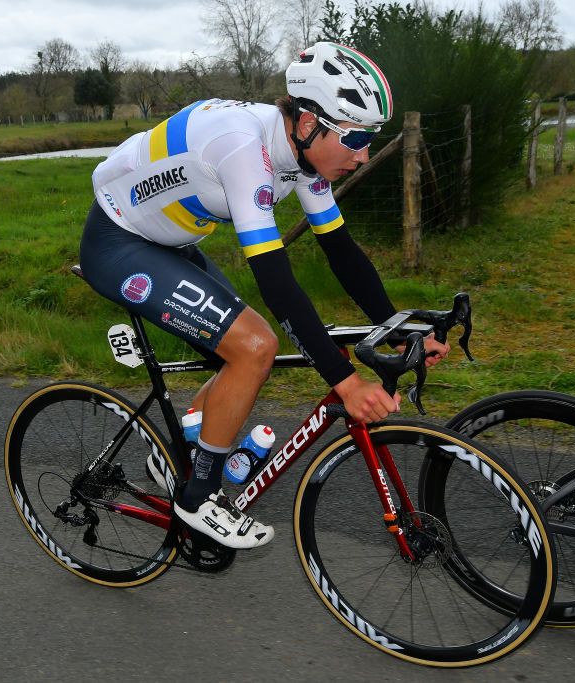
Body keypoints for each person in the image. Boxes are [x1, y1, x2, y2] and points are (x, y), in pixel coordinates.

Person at [80, 43, 450, 550]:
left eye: (371, 139)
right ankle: (198, 500)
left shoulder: (303, 156)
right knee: (254, 345)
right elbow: (277, 282)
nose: (363, 155)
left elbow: (340, 251)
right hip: (119, 242)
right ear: (307, 125)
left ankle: (173, 455)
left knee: (239, 349)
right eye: (356, 137)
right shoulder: (244, 149)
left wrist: (403, 326)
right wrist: (346, 382)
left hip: (171, 244)